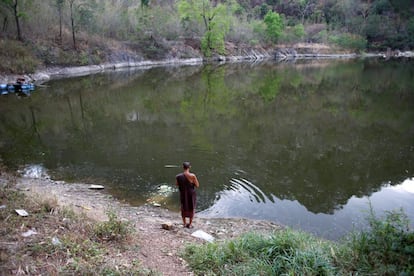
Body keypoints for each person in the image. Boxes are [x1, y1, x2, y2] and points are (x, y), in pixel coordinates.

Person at [176, 161, 200, 228]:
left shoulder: (178, 176)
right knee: (191, 207)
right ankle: (190, 224)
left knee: (183, 207)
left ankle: (184, 223)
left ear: (183, 167)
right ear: (189, 167)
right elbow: (197, 185)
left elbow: (177, 184)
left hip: (183, 193)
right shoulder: (192, 176)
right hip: (191, 194)